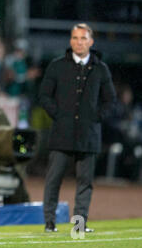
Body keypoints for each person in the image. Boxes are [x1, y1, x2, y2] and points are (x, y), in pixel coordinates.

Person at [39, 23, 116, 233]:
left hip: (88, 134)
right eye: (75, 38)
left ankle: (79, 225)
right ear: (70, 40)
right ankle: (49, 224)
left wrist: (95, 118)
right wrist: (58, 115)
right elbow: (44, 95)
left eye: (83, 38)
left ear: (91, 42)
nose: (78, 42)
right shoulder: (56, 65)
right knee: (53, 179)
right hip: (61, 132)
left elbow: (111, 101)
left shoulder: (101, 68)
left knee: (85, 182)